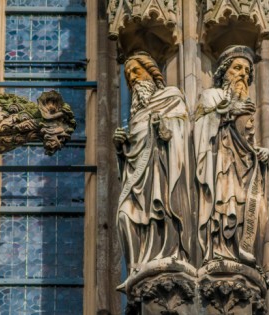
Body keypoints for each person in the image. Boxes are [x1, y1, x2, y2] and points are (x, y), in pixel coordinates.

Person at [113, 52, 191, 280]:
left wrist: (163, 128)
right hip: (137, 180)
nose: (133, 79)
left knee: (162, 212)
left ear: (152, 73)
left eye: (137, 71)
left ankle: (167, 253)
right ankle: (138, 266)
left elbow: (181, 135)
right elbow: (130, 159)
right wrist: (121, 147)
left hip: (161, 173)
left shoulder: (171, 96)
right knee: (124, 216)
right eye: (128, 76)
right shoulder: (135, 114)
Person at [194, 46, 269, 266]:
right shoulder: (212, 96)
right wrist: (229, 111)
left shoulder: (247, 106)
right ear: (224, 72)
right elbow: (202, 128)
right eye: (237, 68)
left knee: (256, 210)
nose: (243, 75)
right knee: (227, 208)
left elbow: (247, 143)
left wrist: (259, 152)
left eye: (247, 71)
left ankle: (245, 257)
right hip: (222, 167)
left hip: (245, 171)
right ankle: (221, 251)